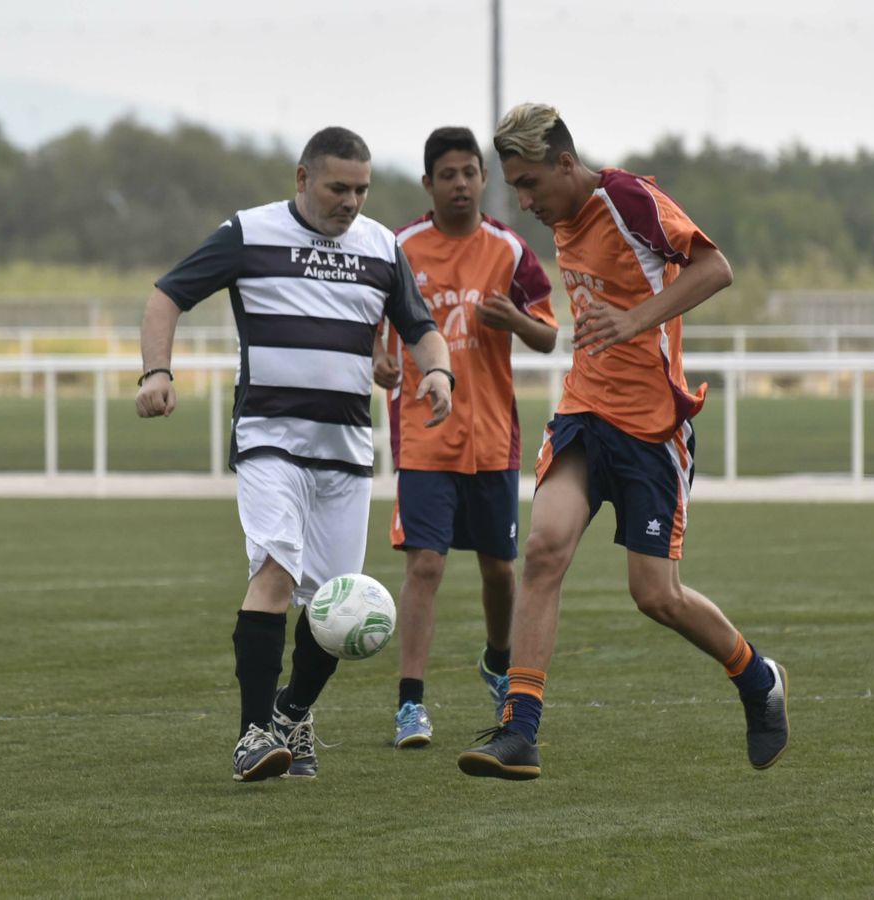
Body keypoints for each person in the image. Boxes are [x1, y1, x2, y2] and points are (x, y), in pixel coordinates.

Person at [455, 103, 787, 781]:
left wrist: (635, 319)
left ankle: (757, 678)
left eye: (529, 185)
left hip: (650, 429)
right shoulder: (563, 215)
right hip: (584, 412)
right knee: (544, 549)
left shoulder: (627, 197)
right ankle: (520, 732)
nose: (523, 202)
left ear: (566, 165)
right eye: (513, 188)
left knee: (655, 595)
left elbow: (715, 268)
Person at [135, 126, 454, 782]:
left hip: (346, 451)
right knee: (277, 569)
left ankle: (292, 714)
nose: (351, 201)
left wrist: (439, 373)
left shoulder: (381, 246)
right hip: (269, 437)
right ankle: (253, 735)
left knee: (335, 606)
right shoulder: (249, 233)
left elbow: (420, 327)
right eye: (338, 187)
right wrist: (155, 372)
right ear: (302, 179)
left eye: (361, 189)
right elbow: (167, 295)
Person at [371, 126, 558, 749]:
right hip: (424, 435)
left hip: (493, 436)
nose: (460, 184)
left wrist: (516, 320)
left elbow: (549, 334)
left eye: (469, 173)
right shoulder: (398, 246)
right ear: (428, 183)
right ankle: (409, 706)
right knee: (425, 565)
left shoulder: (508, 250)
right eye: (447, 174)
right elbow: (370, 322)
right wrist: (381, 360)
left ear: (484, 179)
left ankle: (499, 663)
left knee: (501, 571)